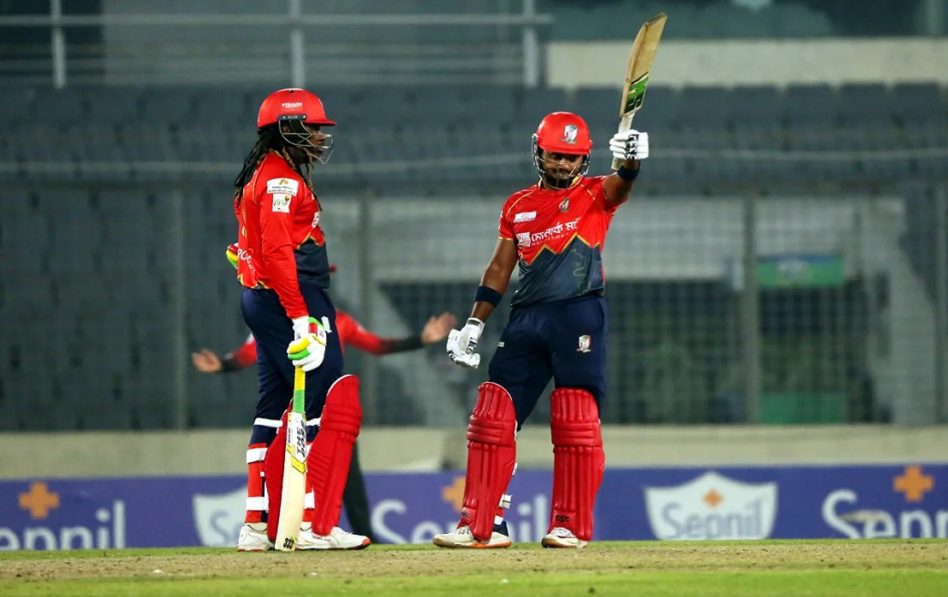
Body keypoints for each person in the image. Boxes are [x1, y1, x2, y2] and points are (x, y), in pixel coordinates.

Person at [433, 112, 649, 550]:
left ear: (585, 159)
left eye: (572, 157)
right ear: (539, 152)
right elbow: (499, 268)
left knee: (575, 417)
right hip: (527, 317)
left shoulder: (595, 194)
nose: (563, 164)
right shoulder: (517, 205)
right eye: (555, 155)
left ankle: (568, 525)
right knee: (492, 414)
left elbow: (621, 185)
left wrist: (630, 163)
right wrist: (475, 322)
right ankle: (482, 525)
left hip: (578, 314)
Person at [192, 260, 456, 544]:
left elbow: (377, 345)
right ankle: (298, 527)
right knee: (299, 465)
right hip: (298, 407)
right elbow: (250, 351)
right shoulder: (280, 316)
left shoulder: (340, 320)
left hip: (332, 408)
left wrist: (420, 339)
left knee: (349, 478)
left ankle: (358, 533)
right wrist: (224, 364)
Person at [230, 87, 368, 551]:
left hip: (263, 297)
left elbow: (258, 243)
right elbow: (276, 251)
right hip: (290, 298)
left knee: (272, 408)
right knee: (322, 399)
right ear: (286, 129)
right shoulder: (280, 181)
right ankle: (306, 523)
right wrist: (299, 316)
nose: (319, 138)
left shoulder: (265, 173)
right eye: (310, 128)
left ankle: (256, 525)